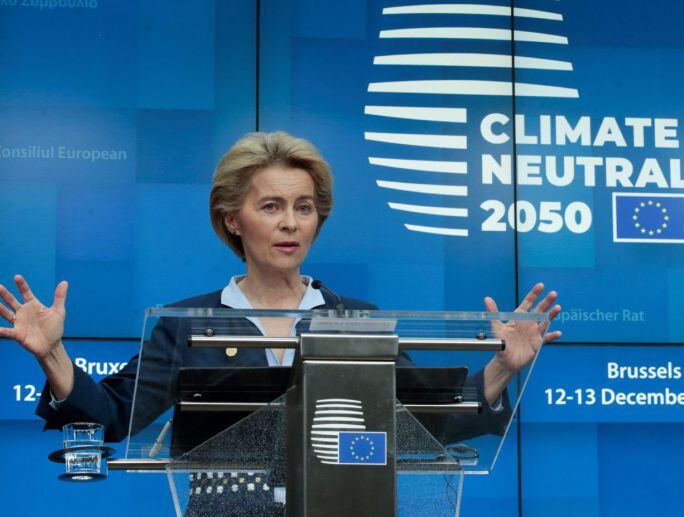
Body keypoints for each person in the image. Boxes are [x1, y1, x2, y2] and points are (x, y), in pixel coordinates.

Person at [0, 131, 560, 510]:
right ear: (232, 220)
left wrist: (501, 369)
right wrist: (52, 356)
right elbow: (115, 416)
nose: (290, 223)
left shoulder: (355, 321)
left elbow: (420, 427)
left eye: (304, 207)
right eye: (270, 206)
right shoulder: (186, 326)